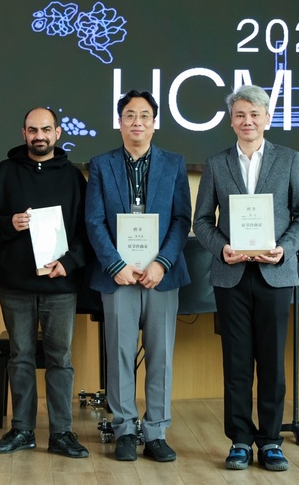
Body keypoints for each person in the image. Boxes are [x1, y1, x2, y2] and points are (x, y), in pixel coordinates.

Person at [193, 85, 299, 472]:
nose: (248, 121)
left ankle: (271, 441)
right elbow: (201, 221)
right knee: (237, 363)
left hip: (275, 273)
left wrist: (284, 248)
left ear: (267, 119)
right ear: (231, 121)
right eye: (240, 115)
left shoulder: (289, 159)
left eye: (254, 114)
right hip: (231, 275)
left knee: (272, 363)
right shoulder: (216, 163)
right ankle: (240, 441)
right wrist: (222, 248)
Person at [84, 90, 191, 463]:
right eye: (130, 115)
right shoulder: (101, 164)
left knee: (161, 356)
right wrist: (115, 265)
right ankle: (125, 429)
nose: (137, 122)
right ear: (120, 122)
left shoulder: (174, 164)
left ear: (154, 123)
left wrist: (162, 262)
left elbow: (181, 219)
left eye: (145, 116)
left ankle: (156, 431)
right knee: (120, 354)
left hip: (161, 275)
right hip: (118, 276)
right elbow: (94, 220)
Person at [0, 107, 91, 459]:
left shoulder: (73, 178)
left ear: (57, 133)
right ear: (23, 133)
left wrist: (68, 263)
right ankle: (23, 430)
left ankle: (61, 433)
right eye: (32, 130)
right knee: (20, 357)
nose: (38, 135)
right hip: (16, 285)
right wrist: (9, 223)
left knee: (61, 359)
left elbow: (87, 233)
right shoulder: (5, 171)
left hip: (60, 285)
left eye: (45, 129)